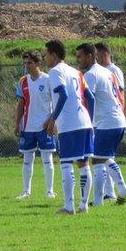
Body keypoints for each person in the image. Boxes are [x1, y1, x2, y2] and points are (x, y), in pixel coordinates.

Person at [42, 39, 95, 215]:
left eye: (46, 55)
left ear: (54, 55)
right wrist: (90, 121)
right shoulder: (77, 72)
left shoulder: (55, 71)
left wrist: (53, 118)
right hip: (85, 121)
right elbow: (91, 98)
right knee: (83, 164)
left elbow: (63, 94)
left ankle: (68, 206)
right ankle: (83, 205)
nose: (45, 58)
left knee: (66, 163)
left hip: (70, 124)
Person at [78, 43, 126, 206]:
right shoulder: (107, 72)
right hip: (117, 120)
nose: (77, 60)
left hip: (106, 122)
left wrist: (89, 122)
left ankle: (98, 200)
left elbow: (90, 99)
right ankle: (122, 189)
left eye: (80, 56)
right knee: (105, 156)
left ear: (89, 56)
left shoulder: (91, 75)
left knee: (97, 160)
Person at [14, 51, 56, 199]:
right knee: (27, 160)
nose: (27, 66)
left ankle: (50, 190)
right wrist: (17, 123)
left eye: (30, 63)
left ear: (38, 63)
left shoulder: (48, 80)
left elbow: (56, 102)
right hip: (28, 127)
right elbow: (21, 103)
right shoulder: (23, 81)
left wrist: (52, 120)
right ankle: (26, 191)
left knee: (47, 159)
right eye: (25, 63)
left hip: (44, 127)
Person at [96, 42, 126, 202]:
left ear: (105, 54)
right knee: (104, 156)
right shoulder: (101, 71)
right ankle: (110, 192)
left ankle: (114, 191)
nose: (96, 57)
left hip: (111, 119)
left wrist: (121, 112)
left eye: (97, 54)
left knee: (101, 156)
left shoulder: (113, 70)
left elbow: (120, 94)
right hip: (104, 119)